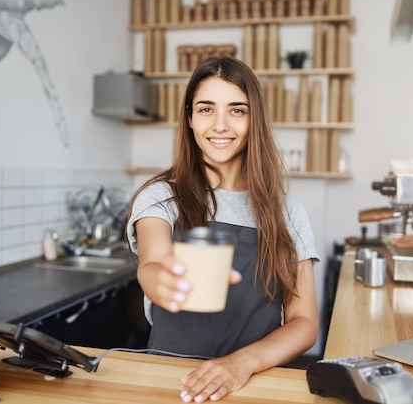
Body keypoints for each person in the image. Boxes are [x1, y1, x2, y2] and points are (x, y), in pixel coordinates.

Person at [126, 56, 319, 403]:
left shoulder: (288, 213)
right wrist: (166, 282)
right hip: (173, 383)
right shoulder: (160, 197)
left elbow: (304, 322)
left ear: (253, 119)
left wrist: (241, 364)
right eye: (205, 109)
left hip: (255, 383)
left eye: (236, 110)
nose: (219, 125)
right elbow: (153, 265)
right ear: (189, 118)